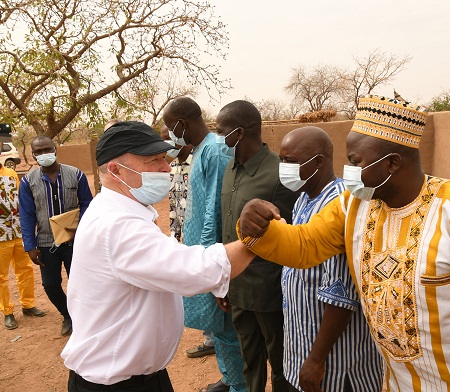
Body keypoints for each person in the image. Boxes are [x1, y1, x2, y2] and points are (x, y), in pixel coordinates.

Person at [238, 94, 450, 391]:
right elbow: (305, 245)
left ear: (392, 163)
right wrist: (256, 227)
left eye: (355, 162)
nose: (347, 171)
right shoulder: (355, 205)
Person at [61, 121, 255, 392]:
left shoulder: (120, 211)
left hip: (142, 378)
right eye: (153, 161)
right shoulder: (117, 225)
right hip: (117, 385)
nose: (166, 168)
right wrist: (255, 241)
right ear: (117, 170)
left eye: (164, 158)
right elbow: (194, 270)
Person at [277, 126, 383, 392]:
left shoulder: (338, 205)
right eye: (282, 160)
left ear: (318, 162)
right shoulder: (304, 198)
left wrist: (315, 360)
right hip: (301, 347)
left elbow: (340, 297)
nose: (283, 167)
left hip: (335, 364)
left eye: (290, 161)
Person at [217, 100, 298, 392]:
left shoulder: (279, 172)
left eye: (221, 131)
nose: (218, 137)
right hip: (237, 285)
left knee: (280, 363)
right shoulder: (230, 169)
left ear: (238, 133)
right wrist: (222, 281)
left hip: (270, 289)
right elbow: (226, 226)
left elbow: (291, 234)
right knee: (249, 359)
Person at [163, 97, 243, 392]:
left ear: (182, 124)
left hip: (212, 253)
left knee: (225, 326)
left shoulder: (215, 150)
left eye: (171, 127)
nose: (171, 133)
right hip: (202, 251)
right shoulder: (201, 150)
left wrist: (208, 256)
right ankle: (230, 377)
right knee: (218, 326)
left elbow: (215, 207)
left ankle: (239, 384)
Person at [18, 136, 93, 336]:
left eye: (47, 149)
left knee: (79, 282)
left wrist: (80, 227)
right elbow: (26, 214)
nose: (44, 154)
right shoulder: (27, 181)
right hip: (45, 243)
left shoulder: (75, 175)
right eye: (39, 152)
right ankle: (67, 315)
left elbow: (87, 202)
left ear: (55, 149)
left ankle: (84, 320)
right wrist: (30, 245)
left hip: (74, 241)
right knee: (50, 285)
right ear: (33, 155)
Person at [1, 159, 46, 330]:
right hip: (0, 236)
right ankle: (7, 312)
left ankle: (28, 305)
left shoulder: (11, 174)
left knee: (25, 269)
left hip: (17, 231)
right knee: (1, 277)